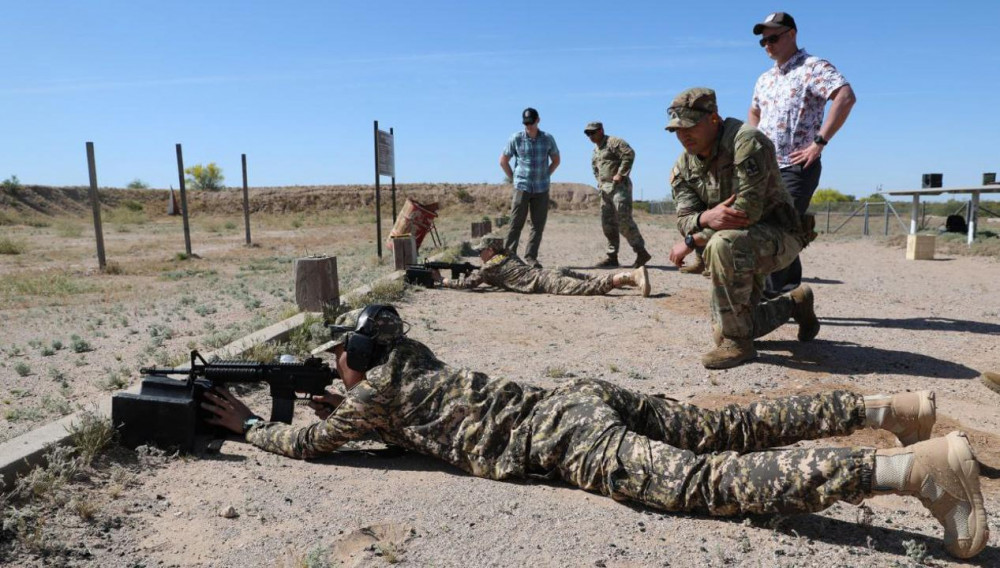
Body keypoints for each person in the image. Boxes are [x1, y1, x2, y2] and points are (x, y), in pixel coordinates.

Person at [202, 305, 989, 560]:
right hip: (582, 398)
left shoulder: (373, 388)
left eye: (339, 356)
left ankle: (916, 471)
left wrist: (246, 431)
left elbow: (310, 447)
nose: (336, 367)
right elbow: (411, 417)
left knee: (698, 482)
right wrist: (347, 404)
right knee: (727, 426)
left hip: (565, 438)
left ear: (357, 353)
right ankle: (889, 410)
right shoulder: (407, 362)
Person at [665, 87, 819, 369]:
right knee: (723, 327)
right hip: (736, 241)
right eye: (677, 130)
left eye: (690, 126)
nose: (683, 135)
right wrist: (705, 218)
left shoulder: (746, 141)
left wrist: (692, 240)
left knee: (723, 244)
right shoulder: (684, 165)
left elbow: (747, 211)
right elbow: (684, 216)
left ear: (713, 119)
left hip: (778, 235)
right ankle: (795, 305)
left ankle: (738, 345)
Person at [748, 12, 856, 297]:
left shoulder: (813, 67)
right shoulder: (765, 79)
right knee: (771, 226)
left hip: (797, 166)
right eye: (763, 41)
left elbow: (845, 96)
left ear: (792, 34)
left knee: (780, 229)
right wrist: (752, 143)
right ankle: (793, 292)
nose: (768, 45)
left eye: (773, 38)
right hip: (765, 168)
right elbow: (754, 111)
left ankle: (769, 298)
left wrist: (819, 141)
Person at [434, 235, 650, 297]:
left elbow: (469, 285)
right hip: (548, 271)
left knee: (588, 288)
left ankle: (629, 278)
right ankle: (631, 279)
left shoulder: (489, 267)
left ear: (490, 251)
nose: (480, 254)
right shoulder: (507, 255)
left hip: (544, 280)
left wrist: (442, 280)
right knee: (589, 279)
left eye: (482, 250)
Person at [499, 107, 561, 268]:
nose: (529, 126)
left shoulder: (547, 139)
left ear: (538, 120)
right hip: (522, 187)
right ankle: (509, 257)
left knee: (537, 225)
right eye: (526, 123)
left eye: (531, 123)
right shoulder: (516, 138)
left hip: (541, 188)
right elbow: (503, 160)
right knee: (515, 223)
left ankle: (531, 257)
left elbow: (556, 159)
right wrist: (514, 178)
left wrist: (546, 174)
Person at [584, 121, 651, 269]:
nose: (590, 136)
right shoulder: (596, 150)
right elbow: (595, 168)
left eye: (592, 132)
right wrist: (600, 183)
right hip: (605, 190)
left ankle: (641, 252)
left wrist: (620, 174)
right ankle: (612, 257)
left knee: (623, 221)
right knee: (607, 224)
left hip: (619, 188)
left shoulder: (613, 142)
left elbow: (629, 154)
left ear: (601, 130)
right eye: (587, 133)